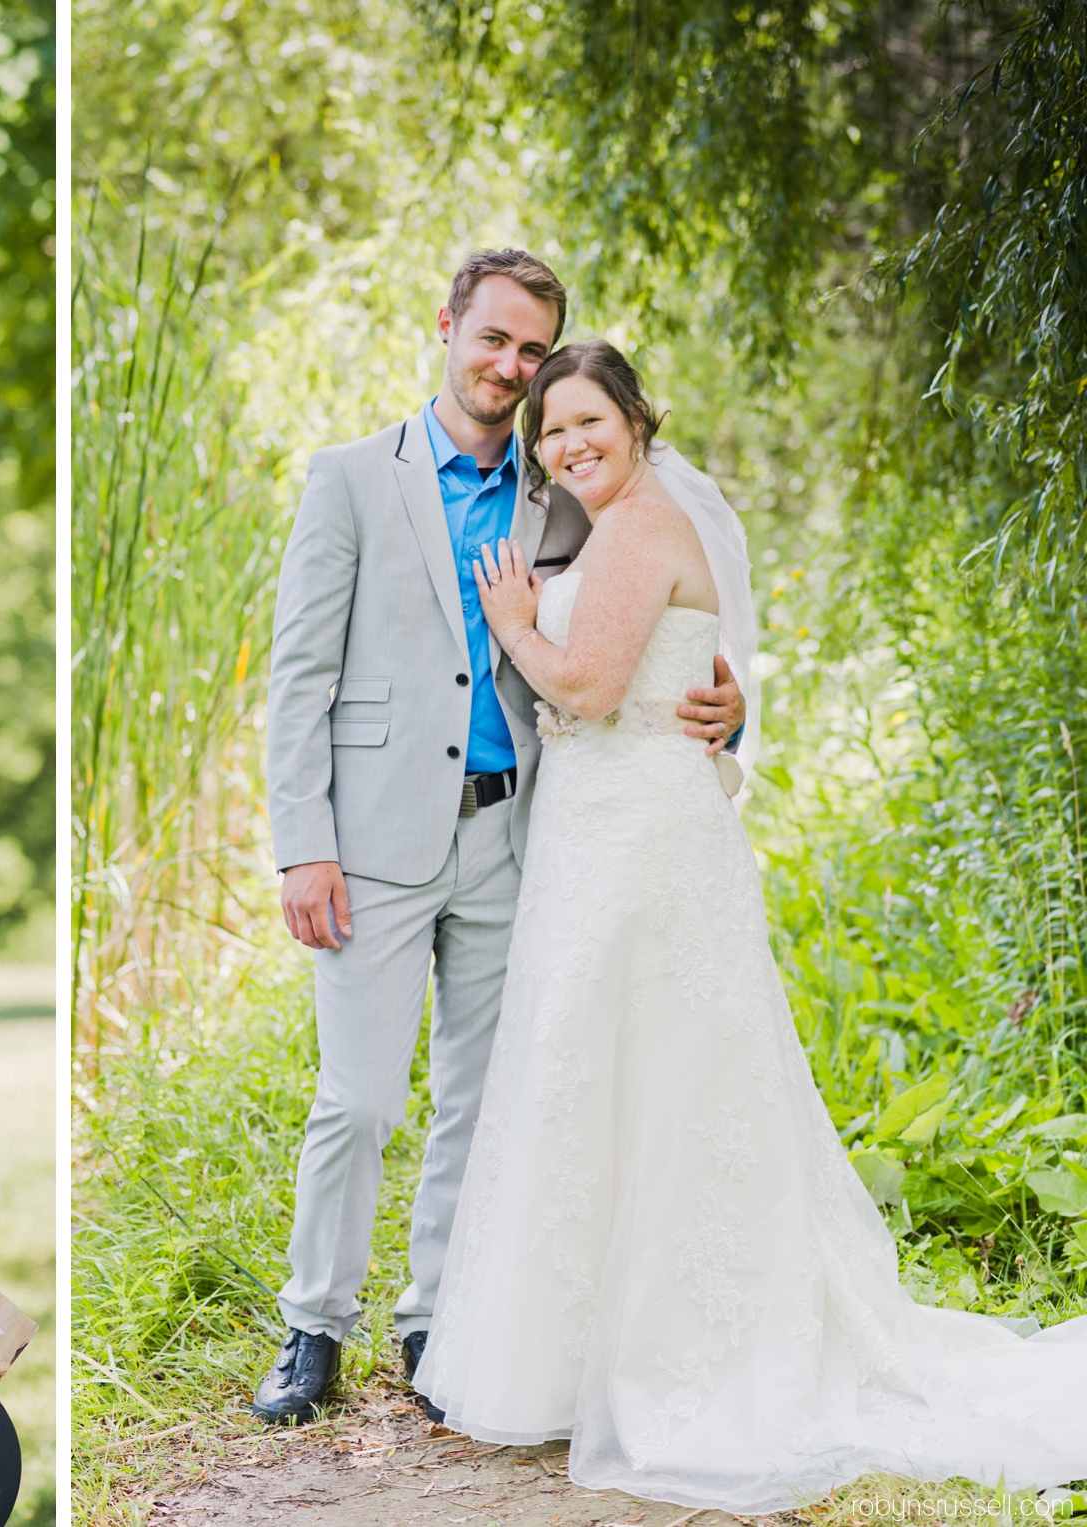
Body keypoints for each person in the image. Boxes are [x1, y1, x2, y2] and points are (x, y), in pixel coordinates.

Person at [414, 338, 1087, 1507]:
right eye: (550, 434)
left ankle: (685, 1348)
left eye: (588, 423)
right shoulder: (620, 519)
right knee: (619, 1074)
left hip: (637, 841)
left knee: (652, 1077)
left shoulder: (636, 524)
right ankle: (590, 1348)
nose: (570, 447)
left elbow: (586, 687)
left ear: (633, 419)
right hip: (609, 827)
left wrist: (517, 623)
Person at [254, 252, 747, 1424]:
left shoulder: (565, 489)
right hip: (368, 842)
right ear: (447, 328)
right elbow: (298, 679)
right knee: (358, 1100)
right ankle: (311, 1324)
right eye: (494, 341)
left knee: (479, 1099)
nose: (509, 368)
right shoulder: (349, 481)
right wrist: (298, 844)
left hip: (520, 834)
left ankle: (439, 1321)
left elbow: (655, 623)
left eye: (530, 352)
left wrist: (722, 707)